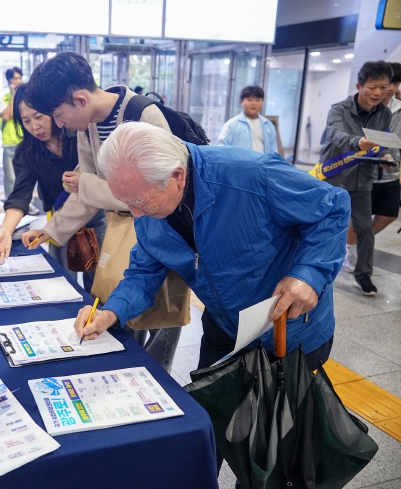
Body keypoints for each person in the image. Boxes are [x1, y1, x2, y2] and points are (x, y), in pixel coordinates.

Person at [73, 122, 350, 374]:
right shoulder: (149, 202)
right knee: (213, 407)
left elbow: (332, 207)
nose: (135, 214)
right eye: (126, 202)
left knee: (285, 412)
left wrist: (309, 275)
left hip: (289, 329)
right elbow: (143, 273)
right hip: (224, 326)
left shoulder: (253, 173)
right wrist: (110, 313)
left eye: (139, 202)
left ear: (177, 177)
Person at [23, 51, 188, 373]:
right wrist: (51, 230)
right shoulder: (88, 126)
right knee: (125, 311)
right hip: (123, 230)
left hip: (162, 228)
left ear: (80, 100)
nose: (59, 124)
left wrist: (87, 185)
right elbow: (86, 194)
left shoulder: (143, 115)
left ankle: (160, 384)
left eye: (58, 115)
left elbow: (160, 193)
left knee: (163, 317)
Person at [0, 83, 107, 292]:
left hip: (96, 215)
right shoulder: (27, 152)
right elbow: (20, 196)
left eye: (39, 117)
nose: (35, 127)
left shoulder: (78, 134)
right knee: (61, 282)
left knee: (99, 284)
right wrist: (5, 230)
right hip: (59, 220)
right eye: (26, 121)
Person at [319, 61, 393, 295]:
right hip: (333, 178)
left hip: (363, 182)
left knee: (365, 229)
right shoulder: (339, 109)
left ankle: (363, 276)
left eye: (383, 87)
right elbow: (335, 134)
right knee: (324, 227)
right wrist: (358, 142)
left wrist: (384, 155)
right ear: (359, 86)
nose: (378, 92)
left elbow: (381, 142)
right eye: (373, 87)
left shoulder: (384, 113)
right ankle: (315, 270)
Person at [343, 62, 401, 276]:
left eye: (394, 83)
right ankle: (351, 252)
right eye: (387, 84)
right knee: (360, 218)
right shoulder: (358, 106)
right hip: (362, 172)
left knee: (389, 214)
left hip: (391, 172)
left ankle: (359, 242)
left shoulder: (396, 107)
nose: (390, 88)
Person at [0, 66, 39, 215]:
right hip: (10, 142)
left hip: (26, 140)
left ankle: (29, 205)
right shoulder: (2, 99)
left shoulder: (28, 98)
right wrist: (13, 96)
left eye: (19, 78)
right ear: (8, 81)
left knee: (28, 175)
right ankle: (13, 207)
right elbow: (6, 116)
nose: (18, 81)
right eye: (14, 78)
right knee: (11, 177)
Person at [217, 85, 278, 153]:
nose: (254, 103)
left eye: (258, 100)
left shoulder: (268, 125)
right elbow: (221, 149)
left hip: (263, 160)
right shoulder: (231, 124)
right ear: (241, 102)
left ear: (262, 102)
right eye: (249, 100)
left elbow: (274, 151)